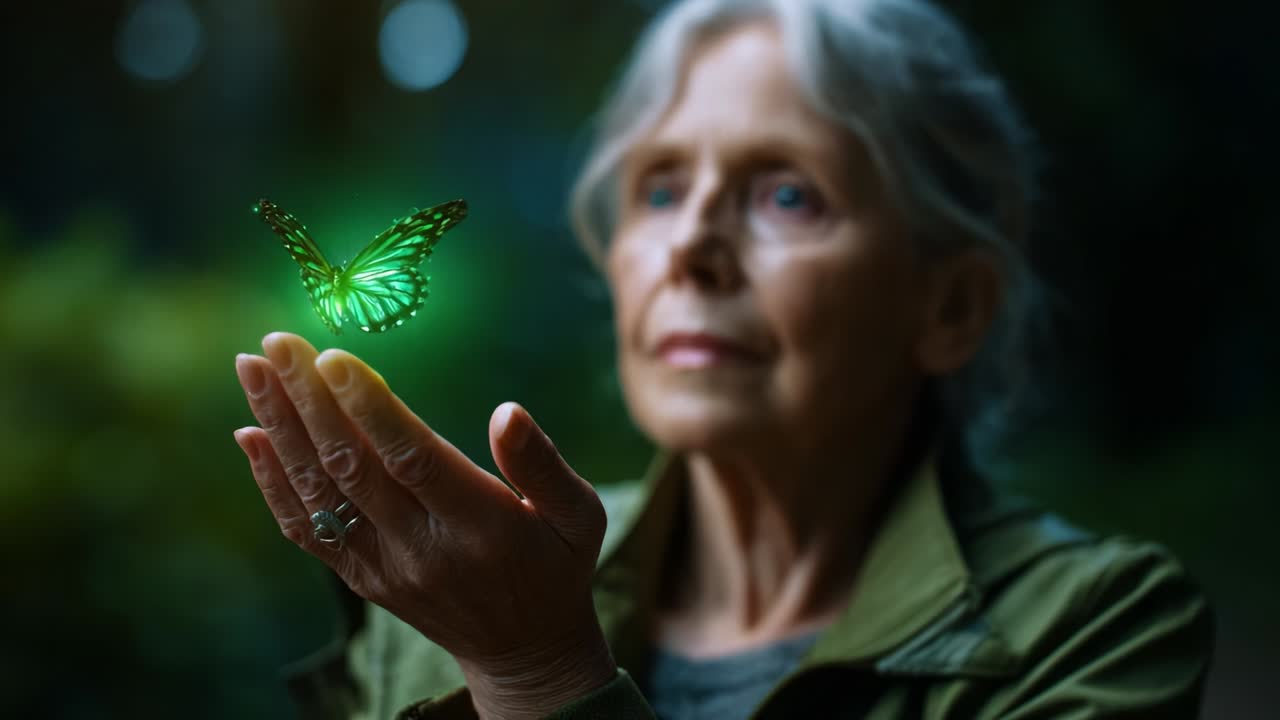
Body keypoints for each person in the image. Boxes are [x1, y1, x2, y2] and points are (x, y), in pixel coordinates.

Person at [232, 0, 1213, 717]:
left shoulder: (1092, 629)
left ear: (947, 306)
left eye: (786, 195)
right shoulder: (450, 588)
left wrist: (535, 672)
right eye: (658, 189)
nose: (689, 246)